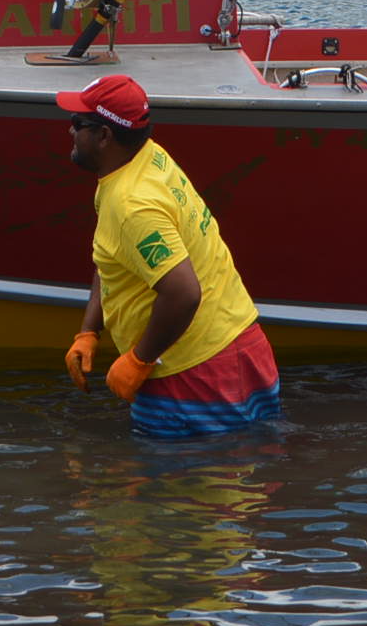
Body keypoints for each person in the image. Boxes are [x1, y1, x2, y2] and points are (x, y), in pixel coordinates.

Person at [57, 74, 281, 437]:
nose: (70, 130)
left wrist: (138, 360)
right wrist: (88, 331)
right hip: (243, 348)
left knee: (184, 474)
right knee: (254, 461)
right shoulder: (147, 159)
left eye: (78, 123)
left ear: (104, 136)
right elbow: (113, 257)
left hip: (193, 375)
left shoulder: (132, 205)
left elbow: (183, 293)